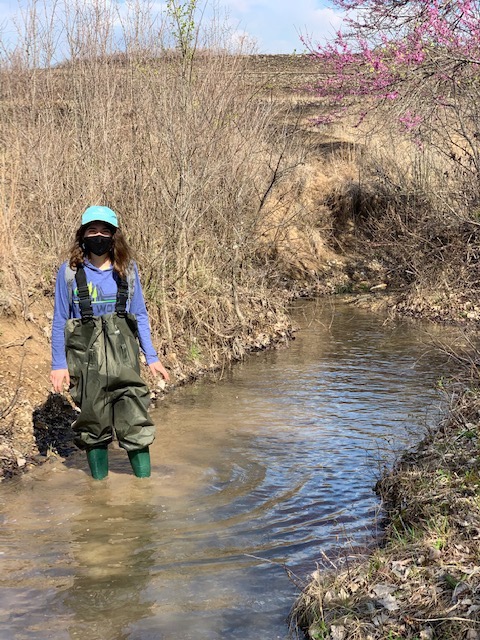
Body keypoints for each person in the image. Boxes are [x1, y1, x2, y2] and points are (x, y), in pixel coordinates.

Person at [50, 205, 170, 480]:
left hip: (124, 358)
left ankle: (143, 490)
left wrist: (151, 356)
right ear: (83, 235)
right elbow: (60, 320)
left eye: (105, 230)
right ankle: (99, 491)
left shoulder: (127, 270)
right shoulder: (69, 273)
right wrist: (58, 364)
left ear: (114, 236)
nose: (99, 236)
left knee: (135, 423)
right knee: (93, 426)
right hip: (85, 361)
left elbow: (139, 313)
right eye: (92, 230)